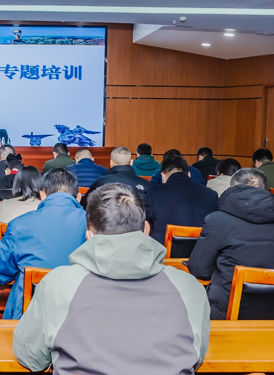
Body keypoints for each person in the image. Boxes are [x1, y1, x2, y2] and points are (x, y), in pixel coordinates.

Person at [14, 183, 210, 374]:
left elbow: (32, 357)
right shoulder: (189, 288)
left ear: (88, 235)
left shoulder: (58, 284)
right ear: (146, 229)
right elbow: (196, 357)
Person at [0, 168, 86, 319]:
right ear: (78, 197)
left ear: (42, 195)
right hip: (80, 315)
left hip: (28, 317)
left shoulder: (19, 224)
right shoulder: (95, 225)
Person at [188, 168, 274, 319]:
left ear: (231, 188)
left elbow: (199, 270)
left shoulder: (217, 220)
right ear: (264, 189)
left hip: (225, 312)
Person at [144, 155, 218, 244]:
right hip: (203, 250)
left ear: (162, 175)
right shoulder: (211, 195)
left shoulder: (153, 194)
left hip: (165, 251)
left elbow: (146, 227)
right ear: (189, 174)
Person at [82, 146, 150, 208]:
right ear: (131, 162)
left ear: (111, 163)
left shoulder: (101, 182)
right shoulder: (146, 185)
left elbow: (86, 204)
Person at [0, 165, 42, 235]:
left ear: (16, 183)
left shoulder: (5, 205)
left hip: (12, 241)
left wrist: (3, 232)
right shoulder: (46, 205)